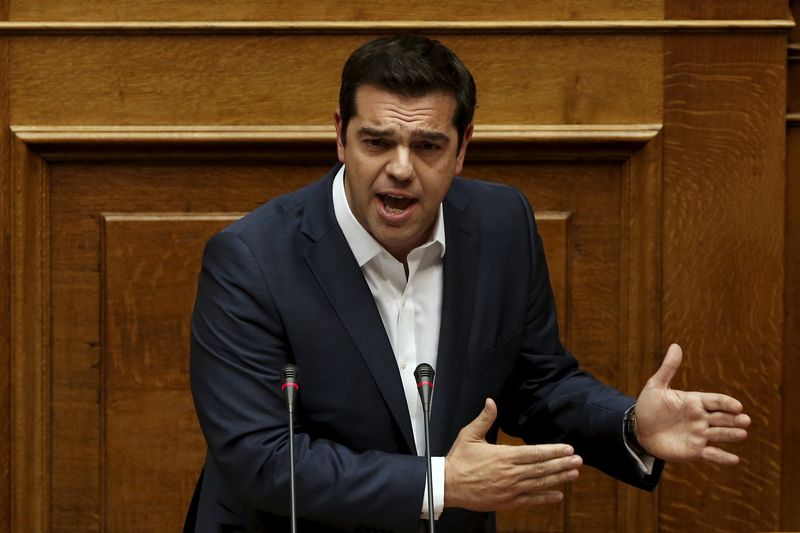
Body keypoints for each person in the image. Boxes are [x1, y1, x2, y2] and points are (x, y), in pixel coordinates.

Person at [186, 35, 750, 533]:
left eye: (427, 145)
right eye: (376, 142)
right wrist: (441, 485)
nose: (401, 169)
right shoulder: (252, 259)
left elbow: (536, 383)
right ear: (340, 138)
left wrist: (628, 422)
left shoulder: (501, 223)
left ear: (462, 148)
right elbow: (262, 459)